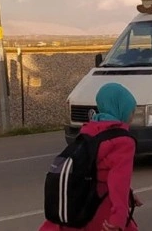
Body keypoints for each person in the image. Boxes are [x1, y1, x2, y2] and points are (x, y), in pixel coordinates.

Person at [39, 83, 142, 231]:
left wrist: (129, 196)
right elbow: (118, 182)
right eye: (131, 111)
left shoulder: (89, 130)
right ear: (121, 109)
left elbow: (97, 169)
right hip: (100, 208)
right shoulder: (123, 142)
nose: (132, 116)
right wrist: (118, 219)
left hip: (79, 203)